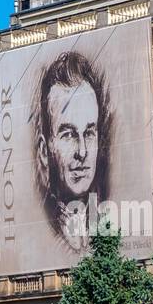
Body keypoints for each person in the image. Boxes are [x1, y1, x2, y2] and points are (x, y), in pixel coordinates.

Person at [32, 50, 112, 252]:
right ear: (44, 150)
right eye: (68, 135)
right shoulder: (43, 229)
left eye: (89, 133)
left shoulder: (106, 218)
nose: (82, 152)